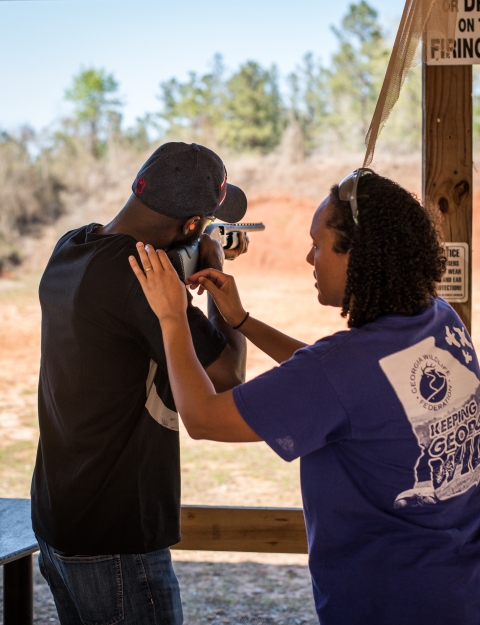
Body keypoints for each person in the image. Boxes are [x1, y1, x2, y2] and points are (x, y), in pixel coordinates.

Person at [129, 168, 480, 625]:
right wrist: (243, 322)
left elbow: (204, 418)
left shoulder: (343, 369)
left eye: (319, 244)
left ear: (361, 256)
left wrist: (173, 318)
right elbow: (342, 384)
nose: (308, 257)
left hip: (390, 602)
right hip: (459, 587)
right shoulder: (439, 319)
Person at [32, 142, 250, 624]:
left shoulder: (72, 245)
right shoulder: (142, 281)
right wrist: (218, 271)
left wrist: (191, 253)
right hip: (116, 537)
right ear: (193, 225)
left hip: (59, 516)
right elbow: (229, 376)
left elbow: (141, 262)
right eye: (203, 225)